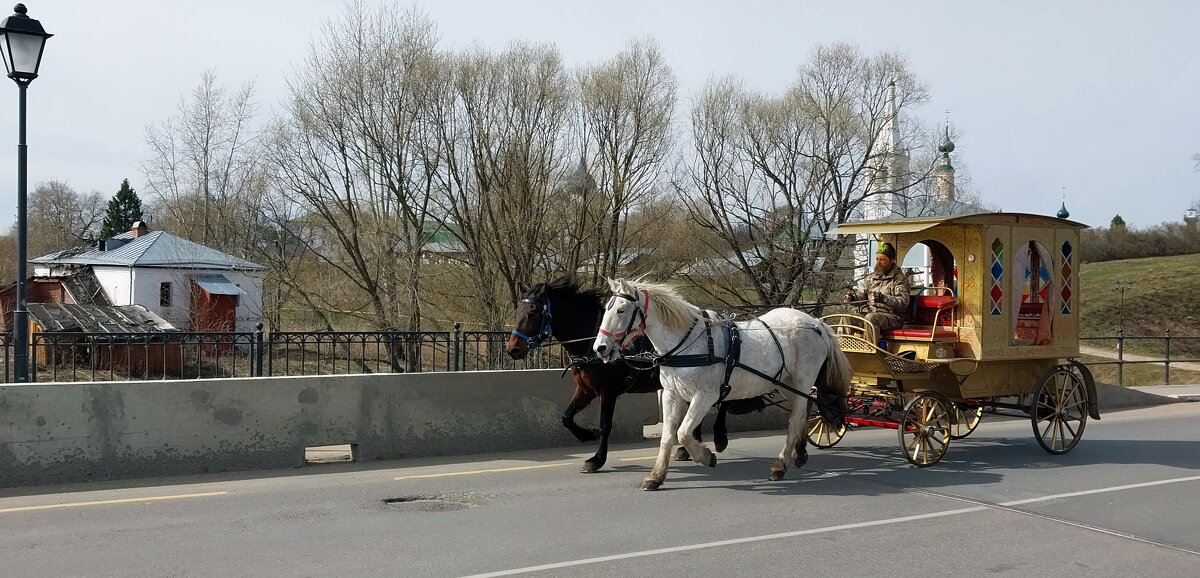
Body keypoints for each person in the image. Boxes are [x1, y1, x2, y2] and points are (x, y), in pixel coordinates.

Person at [844, 242, 911, 333]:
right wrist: (852, 298)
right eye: (877, 259)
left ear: (891, 261)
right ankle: (843, 346)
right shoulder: (871, 278)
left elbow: (903, 303)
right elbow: (861, 295)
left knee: (871, 318)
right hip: (869, 313)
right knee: (846, 319)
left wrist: (884, 298)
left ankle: (870, 346)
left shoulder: (899, 279)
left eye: (882, 259)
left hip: (892, 317)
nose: (878, 263)